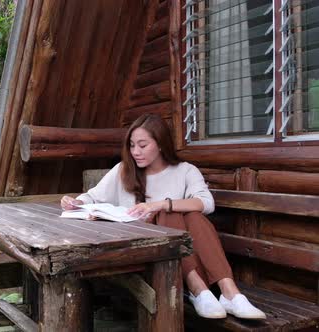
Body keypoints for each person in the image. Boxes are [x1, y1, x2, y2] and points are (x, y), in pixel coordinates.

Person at [60, 114, 266, 320]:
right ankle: (198, 289)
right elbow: (92, 197)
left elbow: (207, 203)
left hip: (184, 259)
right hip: (144, 256)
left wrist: (160, 204)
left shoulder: (185, 171)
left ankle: (227, 292)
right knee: (169, 215)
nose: (135, 152)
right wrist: (75, 202)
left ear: (160, 144)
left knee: (192, 215)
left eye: (142, 145)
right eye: (132, 145)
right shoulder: (123, 170)